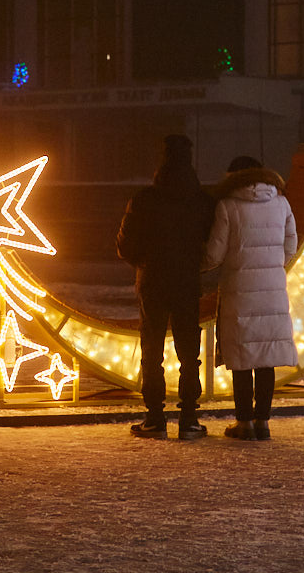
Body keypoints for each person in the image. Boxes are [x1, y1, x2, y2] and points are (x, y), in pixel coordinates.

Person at [116, 134, 216, 440]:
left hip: (153, 282)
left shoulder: (143, 199)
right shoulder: (202, 201)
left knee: (152, 351)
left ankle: (155, 419)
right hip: (187, 282)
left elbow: (124, 245)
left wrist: (143, 263)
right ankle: (188, 419)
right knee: (189, 354)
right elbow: (211, 242)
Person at [203, 155, 298, 441]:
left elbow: (214, 254)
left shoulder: (227, 206)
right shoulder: (281, 203)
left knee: (243, 357)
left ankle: (244, 423)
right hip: (273, 290)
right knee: (266, 357)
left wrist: (196, 266)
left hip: (239, 291)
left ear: (233, 177)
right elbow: (290, 245)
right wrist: (272, 265)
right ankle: (263, 422)